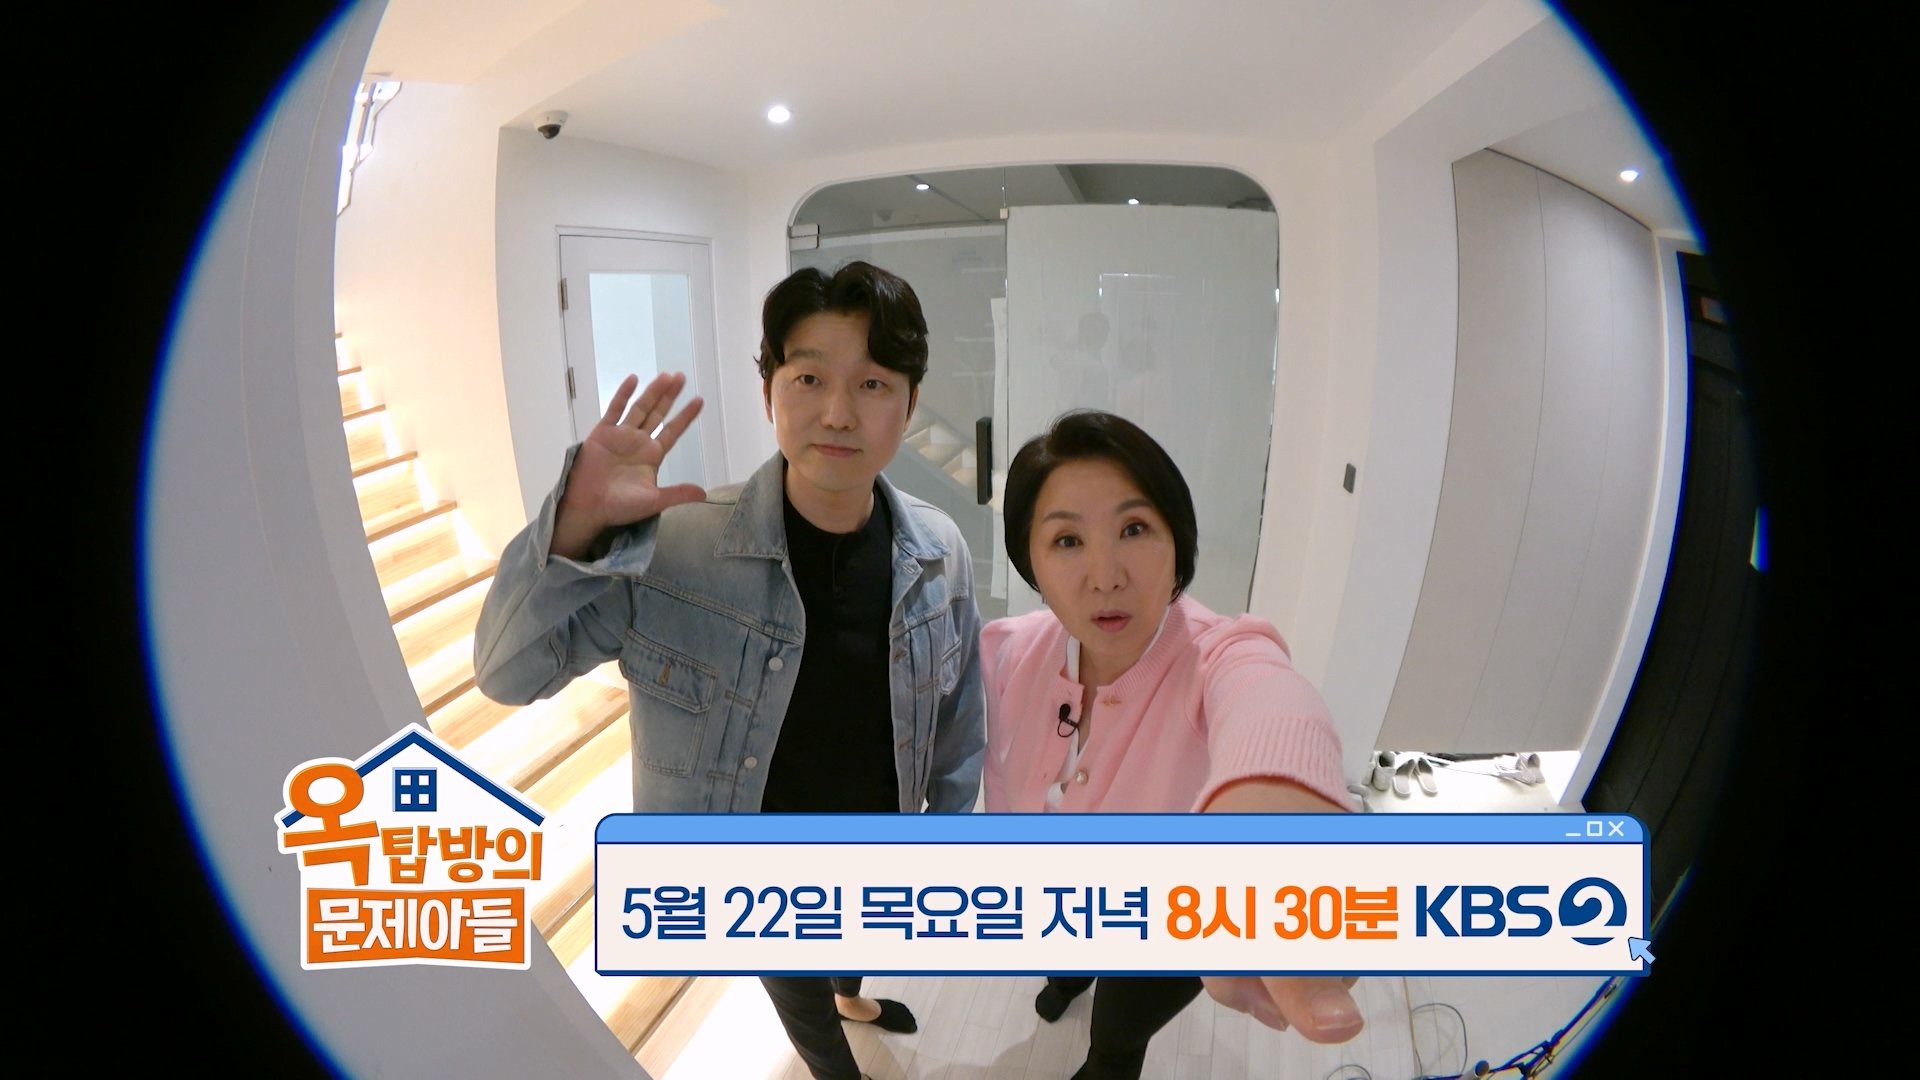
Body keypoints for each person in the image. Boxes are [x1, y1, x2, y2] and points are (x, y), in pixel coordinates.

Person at [472, 261, 986, 1080]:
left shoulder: (939, 550)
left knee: (853, 949)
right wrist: (571, 530)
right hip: (759, 874)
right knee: (799, 989)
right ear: (769, 392)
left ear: (910, 403)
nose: (838, 412)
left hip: (878, 846)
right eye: (809, 377)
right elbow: (507, 672)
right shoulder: (676, 549)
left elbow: (958, 720)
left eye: (873, 384)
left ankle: (852, 990)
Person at [981, 409, 1363, 1079]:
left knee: (1116, 1039)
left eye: (1134, 529)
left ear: (1177, 543)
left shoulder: (1218, 655)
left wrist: (1278, 792)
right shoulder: (1014, 650)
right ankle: (1067, 976)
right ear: (1031, 563)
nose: (1106, 576)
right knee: (1064, 955)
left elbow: (1268, 698)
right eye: (1067, 540)